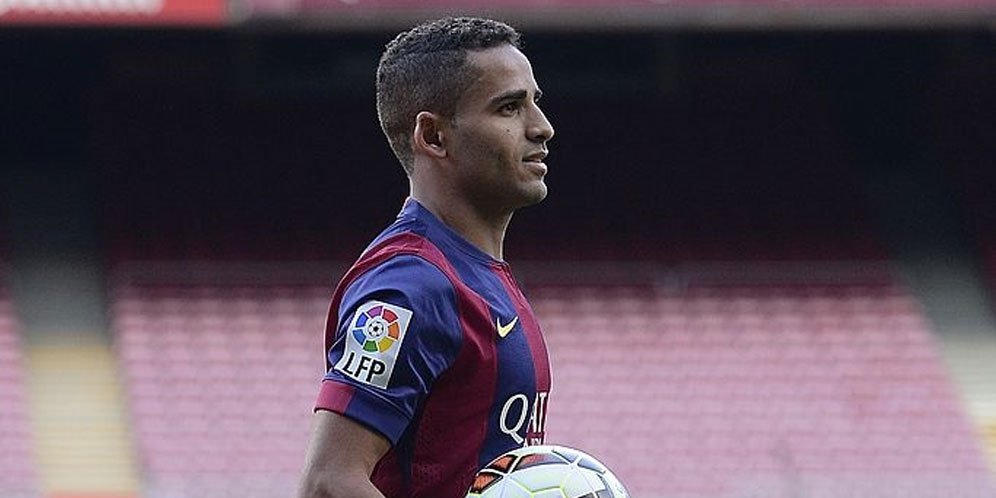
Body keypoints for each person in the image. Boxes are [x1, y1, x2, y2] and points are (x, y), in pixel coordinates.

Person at [297, 17, 556, 498]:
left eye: (535, 103)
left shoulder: (476, 275)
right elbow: (329, 482)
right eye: (509, 107)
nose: (542, 127)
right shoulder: (410, 286)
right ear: (433, 136)